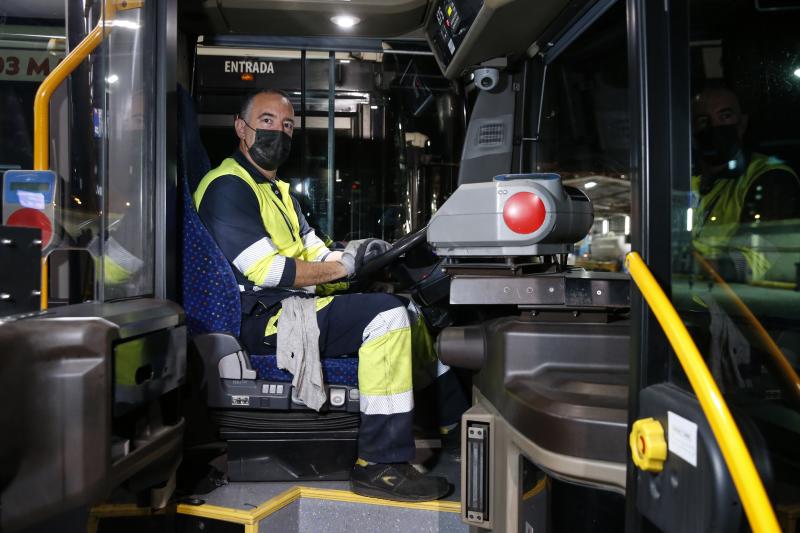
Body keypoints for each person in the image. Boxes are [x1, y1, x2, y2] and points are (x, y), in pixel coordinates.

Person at [194, 89, 457, 502]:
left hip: (291, 306)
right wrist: (343, 267)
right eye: (266, 121)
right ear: (240, 128)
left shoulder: (280, 193)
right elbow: (268, 270)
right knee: (385, 317)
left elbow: (318, 252)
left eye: (287, 125)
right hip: (261, 321)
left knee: (410, 310)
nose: (277, 132)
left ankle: (450, 427)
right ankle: (381, 465)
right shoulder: (228, 187)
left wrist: (362, 254)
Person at [691, 84, 800, 283]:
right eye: (703, 120)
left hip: (749, 309)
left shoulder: (771, 178)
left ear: (742, 123)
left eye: (725, 116)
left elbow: (763, 254)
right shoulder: (688, 181)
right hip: (688, 305)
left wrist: (697, 267)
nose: (715, 127)